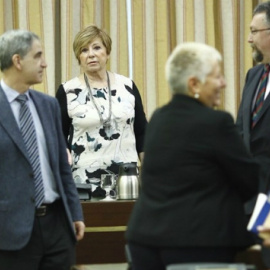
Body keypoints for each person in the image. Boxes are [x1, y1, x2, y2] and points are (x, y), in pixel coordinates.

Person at [125, 42, 261, 270]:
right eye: (217, 77)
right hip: (198, 243)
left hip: (145, 240)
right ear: (194, 84)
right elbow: (249, 181)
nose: (223, 83)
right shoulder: (217, 122)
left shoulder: (159, 118)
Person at [0, 29, 85, 270]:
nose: (44, 64)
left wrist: (75, 213)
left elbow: (61, 166)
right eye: (37, 56)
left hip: (58, 226)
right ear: (17, 61)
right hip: (10, 234)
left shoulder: (48, 105)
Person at [56, 25, 147, 199]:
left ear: (107, 52)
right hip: (83, 184)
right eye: (84, 50)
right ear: (79, 57)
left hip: (127, 183)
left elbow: (142, 133)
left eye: (96, 47)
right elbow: (58, 139)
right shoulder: (67, 91)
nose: (91, 54)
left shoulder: (128, 86)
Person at [236, 2, 270, 268]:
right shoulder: (254, 74)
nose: (249, 38)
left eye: (254, 31)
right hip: (250, 195)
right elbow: (240, 130)